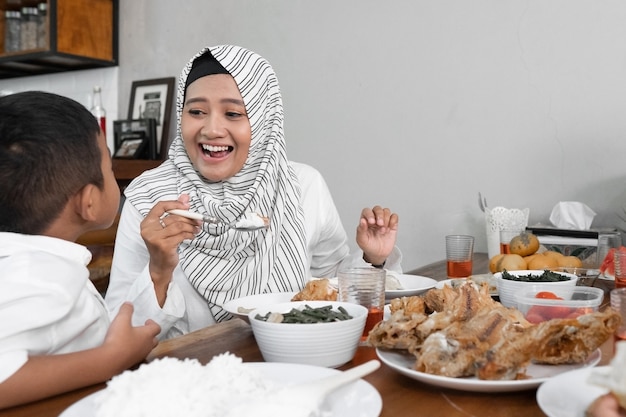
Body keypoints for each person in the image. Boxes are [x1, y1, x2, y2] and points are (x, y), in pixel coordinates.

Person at [105, 45, 402, 339]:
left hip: (295, 363)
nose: (211, 129)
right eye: (196, 111)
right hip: (188, 378)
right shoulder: (150, 197)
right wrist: (158, 272)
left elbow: (329, 288)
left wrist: (371, 259)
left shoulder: (302, 186)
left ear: (264, 119)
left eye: (233, 113)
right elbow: (114, 332)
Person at [0, 91, 161, 409]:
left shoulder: (32, 263)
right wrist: (110, 359)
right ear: (88, 202)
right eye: (110, 168)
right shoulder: (42, 276)